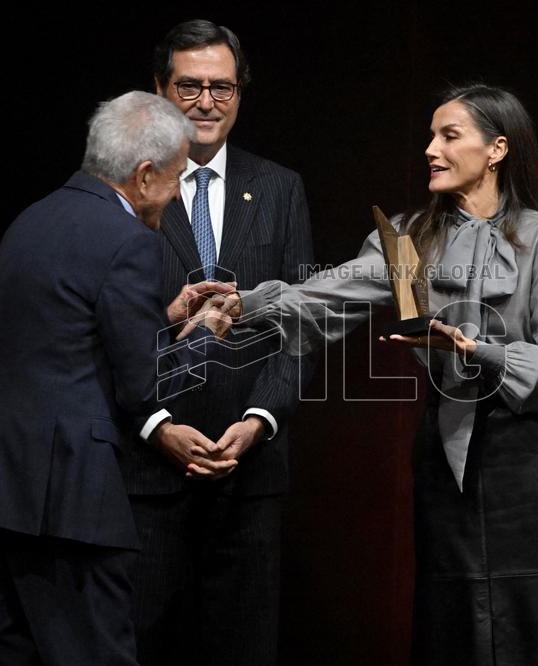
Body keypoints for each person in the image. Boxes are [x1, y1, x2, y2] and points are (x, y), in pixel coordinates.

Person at [209, 84, 538, 664]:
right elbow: (326, 294)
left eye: (449, 136)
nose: (430, 149)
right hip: (444, 456)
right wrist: (243, 304)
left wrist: (477, 350)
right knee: (458, 623)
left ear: (497, 149)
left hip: (528, 462)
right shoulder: (409, 240)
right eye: (431, 136)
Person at [0, 91, 233, 665]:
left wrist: (163, 318)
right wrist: (203, 336)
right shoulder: (129, 240)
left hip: (0, 487)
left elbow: (64, 338)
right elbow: (143, 387)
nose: (177, 195)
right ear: (144, 175)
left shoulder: (32, 218)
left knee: (9, 652)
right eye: (176, 179)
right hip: (67, 500)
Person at [118, 19, 315, 666]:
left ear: (240, 92)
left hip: (248, 473)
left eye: (222, 88)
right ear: (159, 89)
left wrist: (259, 421)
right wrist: (157, 426)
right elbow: (107, 327)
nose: (206, 102)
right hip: (148, 469)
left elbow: (300, 325)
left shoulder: (280, 187)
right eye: (189, 86)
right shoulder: (129, 184)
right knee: (137, 647)